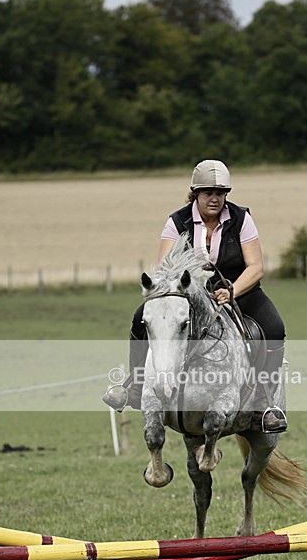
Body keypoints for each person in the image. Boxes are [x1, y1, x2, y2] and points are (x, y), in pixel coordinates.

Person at [103, 159, 287, 432]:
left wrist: (232, 291)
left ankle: (264, 403)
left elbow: (256, 267)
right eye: (208, 193)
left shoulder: (241, 219)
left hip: (238, 290)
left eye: (220, 193)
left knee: (274, 328)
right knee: (140, 318)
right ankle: (136, 387)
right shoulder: (177, 222)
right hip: (189, 295)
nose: (215, 199)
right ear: (195, 193)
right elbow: (166, 269)